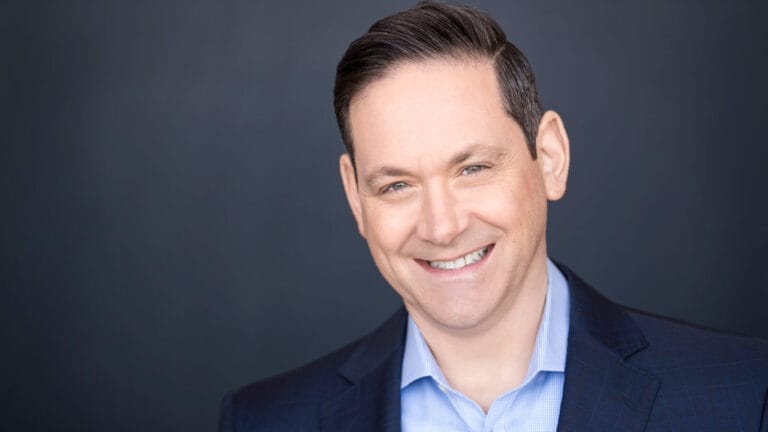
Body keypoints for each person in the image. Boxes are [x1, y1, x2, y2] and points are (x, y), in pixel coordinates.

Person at [219, 2, 768, 431]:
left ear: (549, 157)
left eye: (473, 168)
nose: (441, 226)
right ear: (355, 197)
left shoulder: (742, 394)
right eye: (397, 184)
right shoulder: (266, 421)